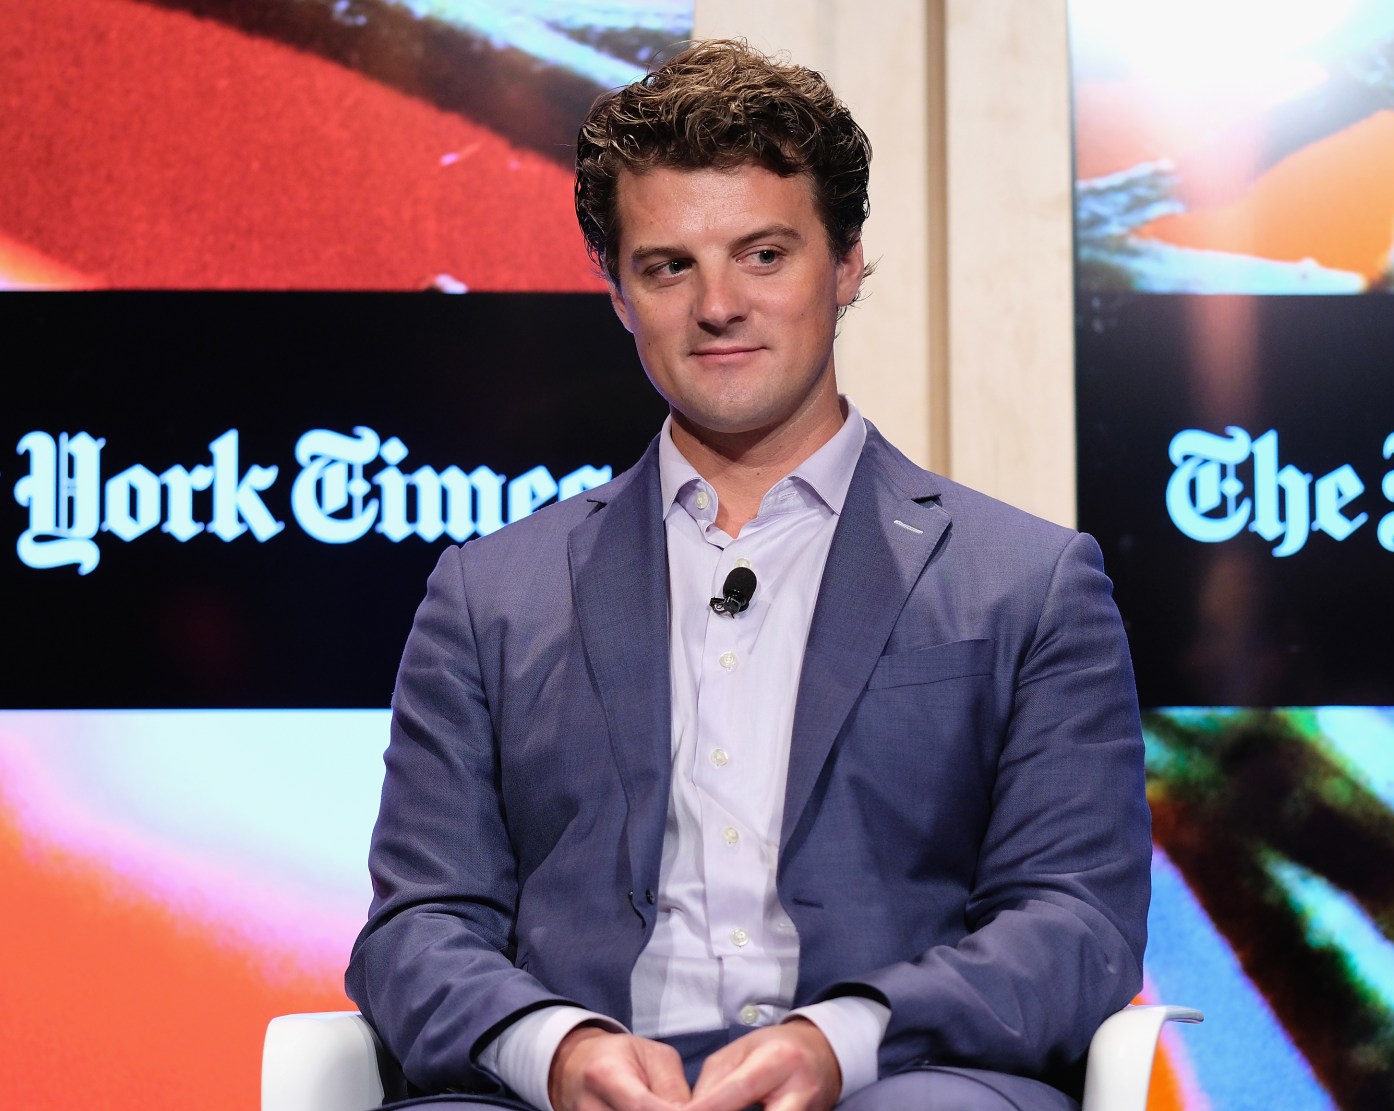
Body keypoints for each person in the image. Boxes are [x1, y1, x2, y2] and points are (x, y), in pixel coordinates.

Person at [347, 39, 1150, 1111]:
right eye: (668, 265)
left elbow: (1078, 921)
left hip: (894, 1076)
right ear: (620, 292)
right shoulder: (490, 594)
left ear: (849, 262)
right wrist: (556, 1047)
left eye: (764, 254)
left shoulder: (1028, 582)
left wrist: (841, 1039)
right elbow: (417, 926)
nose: (717, 304)